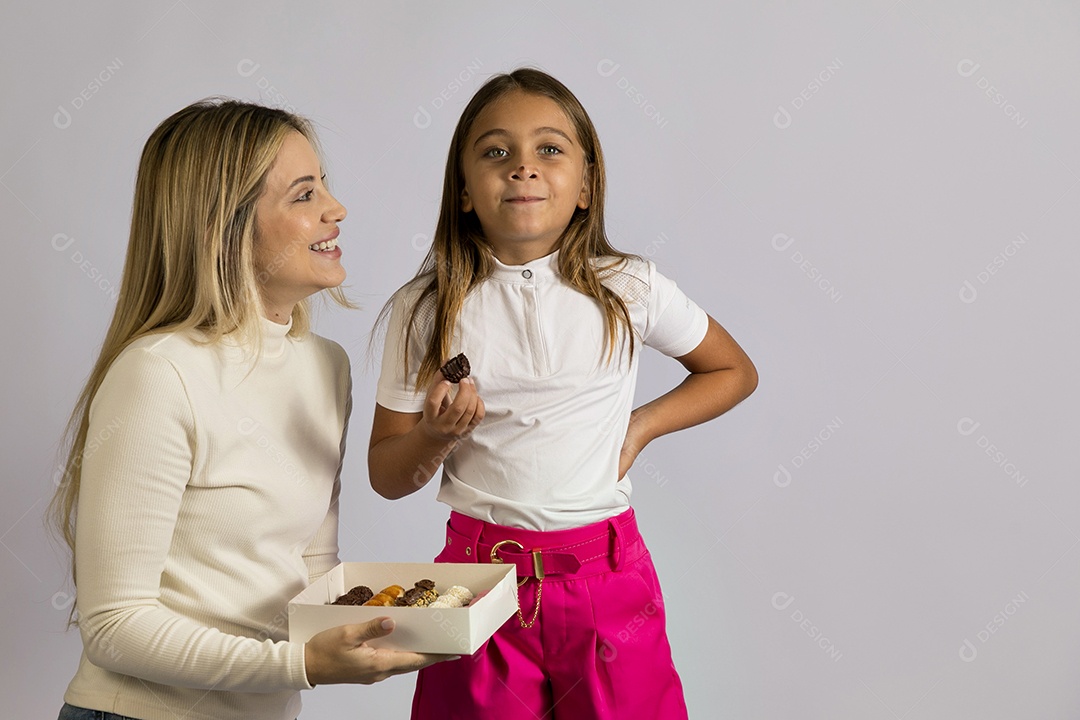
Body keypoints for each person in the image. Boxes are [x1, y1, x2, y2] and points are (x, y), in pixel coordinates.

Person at [369, 69, 759, 719]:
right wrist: (433, 437)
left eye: (549, 149)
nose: (522, 167)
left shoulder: (630, 287)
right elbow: (386, 475)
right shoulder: (425, 308)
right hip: (478, 589)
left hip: (609, 582)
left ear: (586, 186)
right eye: (496, 151)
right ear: (463, 190)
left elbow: (732, 371)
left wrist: (640, 428)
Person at [48, 98, 450, 720]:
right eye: (304, 194)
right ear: (225, 228)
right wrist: (302, 666)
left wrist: (405, 622)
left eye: (325, 186)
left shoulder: (325, 366)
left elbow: (310, 565)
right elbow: (115, 626)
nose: (337, 209)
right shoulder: (159, 373)